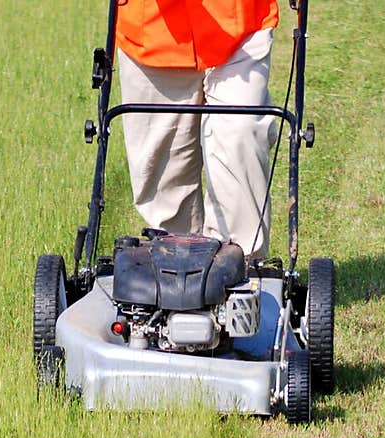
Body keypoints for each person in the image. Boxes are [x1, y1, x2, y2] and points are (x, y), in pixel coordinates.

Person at [116, 0, 280, 259]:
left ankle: (242, 268)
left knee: (239, 132)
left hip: (240, 23)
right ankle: (173, 264)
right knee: (163, 173)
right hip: (153, 30)